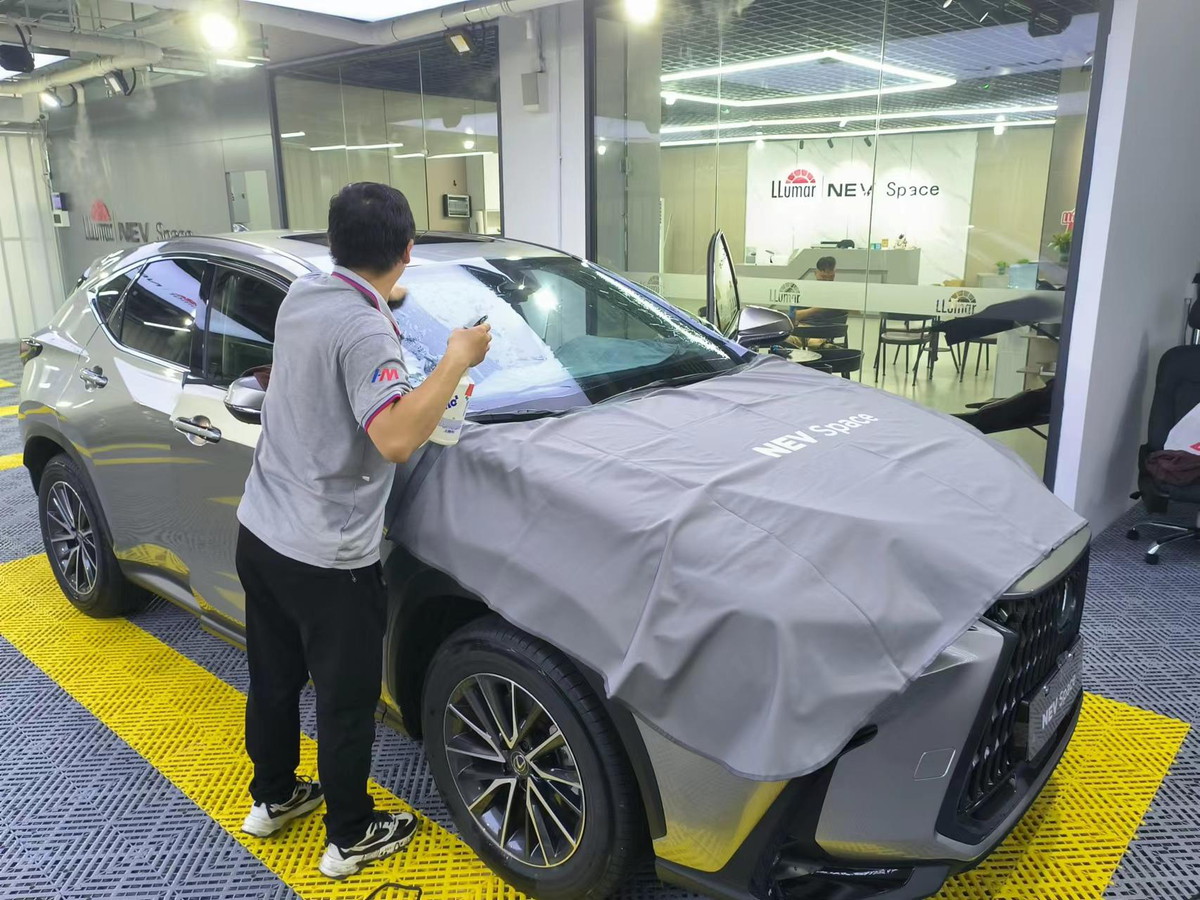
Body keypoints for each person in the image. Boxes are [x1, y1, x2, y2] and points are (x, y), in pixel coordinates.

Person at [234, 182, 492, 879]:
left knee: (274, 679)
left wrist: (390, 298)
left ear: (332, 242)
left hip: (262, 532)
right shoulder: (366, 331)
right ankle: (350, 836)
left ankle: (274, 797)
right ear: (408, 249)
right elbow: (396, 438)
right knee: (345, 702)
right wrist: (456, 359)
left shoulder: (303, 297)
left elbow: (356, 323)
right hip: (326, 558)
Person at [788, 256, 845, 348]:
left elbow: (856, 312)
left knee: (814, 343)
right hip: (803, 328)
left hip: (824, 330)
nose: (827, 281)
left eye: (831, 277)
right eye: (823, 277)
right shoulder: (805, 290)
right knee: (786, 340)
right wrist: (817, 309)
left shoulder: (839, 292)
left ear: (834, 273)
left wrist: (841, 304)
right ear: (816, 273)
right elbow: (793, 316)